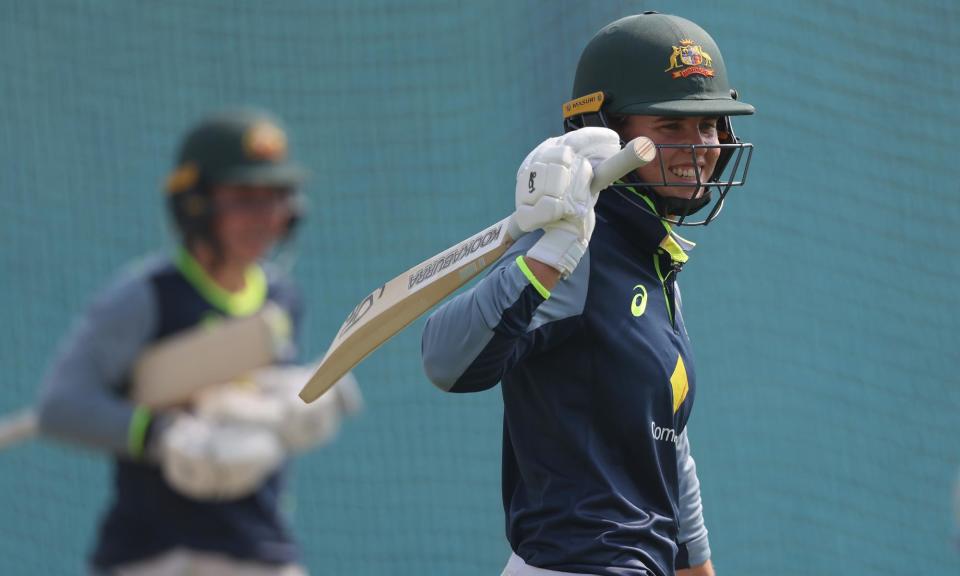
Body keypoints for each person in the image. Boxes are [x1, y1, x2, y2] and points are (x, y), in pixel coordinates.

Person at [421, 12, 754, 576]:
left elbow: (668, 441)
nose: (699, 147)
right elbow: (445, 359)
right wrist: (547, 254)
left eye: (708, 124)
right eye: (670, 127)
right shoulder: (576, 250)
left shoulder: (651, 257)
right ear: (605, 130)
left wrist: (696, 566)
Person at [36, 108, 361, 576]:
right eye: (244, 198)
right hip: (154, 554)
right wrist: (160, 434)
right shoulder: (147, 295)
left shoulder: (282, 298)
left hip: (258, 549)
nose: (265, 217)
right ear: (196, 203)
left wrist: (291, 406)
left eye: (276, 198)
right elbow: (62, 406)